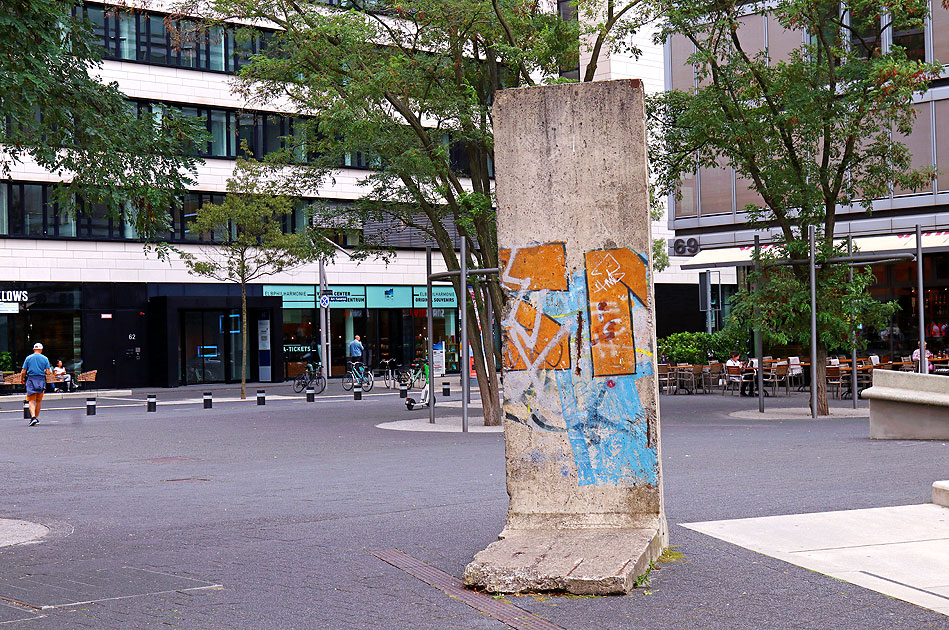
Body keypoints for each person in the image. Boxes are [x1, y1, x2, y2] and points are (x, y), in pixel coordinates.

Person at [21, 343, 52, 426]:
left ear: (33, 349)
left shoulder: (28, 358)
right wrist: (45, 371)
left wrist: (22, 379)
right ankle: (36, 418)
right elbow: (48, 372)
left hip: (31, 379)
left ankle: (33, 417)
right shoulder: (45, 358)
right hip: (41, 380)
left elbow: (23, 371)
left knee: (31, 400)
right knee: (38, 401)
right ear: (41, 349)